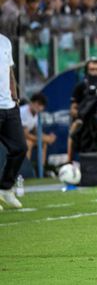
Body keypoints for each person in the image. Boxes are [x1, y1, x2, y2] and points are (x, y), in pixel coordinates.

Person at [0, 32, 27, 210]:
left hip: (9, 105)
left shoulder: (5, 41)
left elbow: (9, 71)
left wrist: (15, 96)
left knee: (19, 148)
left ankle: (5, 187)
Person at [67, 58, 97, 160]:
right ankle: (69, 161)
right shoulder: (81, 86)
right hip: (84, 122)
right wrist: (79, 114)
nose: (95, 72)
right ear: (87, 70)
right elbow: (73, 109)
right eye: (92, 69)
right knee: (76, 130)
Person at [19, 92, 56, 166]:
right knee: (28, 143)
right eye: (38, 104)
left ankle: (41, 169)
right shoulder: (23, 111)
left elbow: (36, 131)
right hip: (14, 138)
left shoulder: (37, 114)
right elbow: (25, 135)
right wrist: (44, 139)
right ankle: (26, 170)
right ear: (32, 103)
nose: (39, 107)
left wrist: (47, 137)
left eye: (41, 105)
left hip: (24, 138)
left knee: (43, 144)